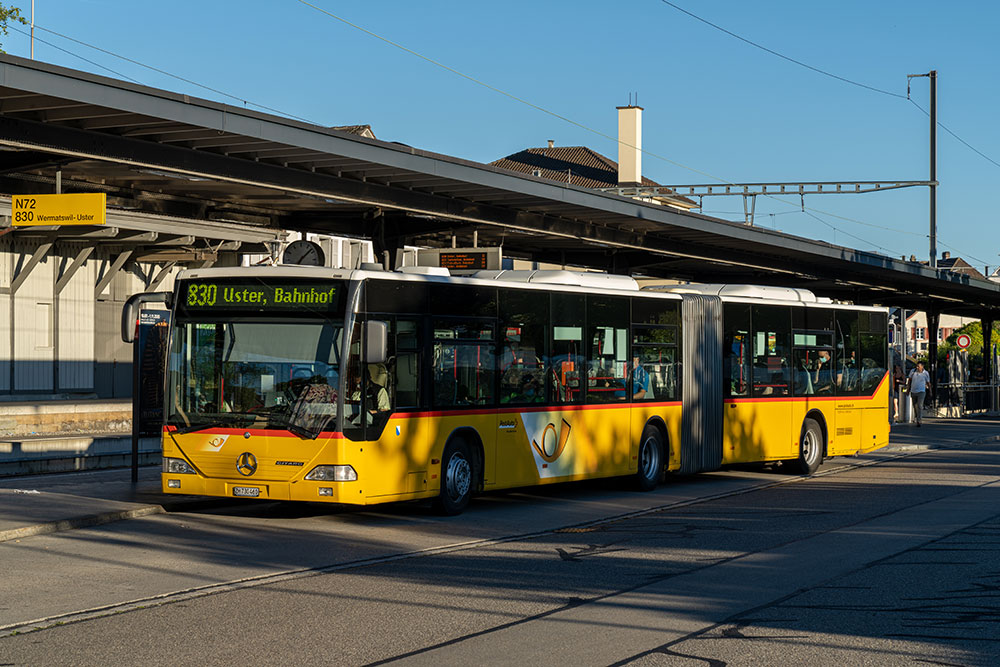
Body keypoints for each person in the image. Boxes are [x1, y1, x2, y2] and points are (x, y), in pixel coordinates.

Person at [908, 361, 931, 427]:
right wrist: (908, 389)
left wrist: (930, 391)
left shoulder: (926, 373)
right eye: (917, 366)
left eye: (919, 366)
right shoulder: (913, 371)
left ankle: (919, 420)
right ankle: (917, 417)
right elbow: (909, 380)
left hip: (921, 391)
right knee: (915, 406)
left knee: (920, 406)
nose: (917, 367)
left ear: (922, 366)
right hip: (913, 391)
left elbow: (928, 382)